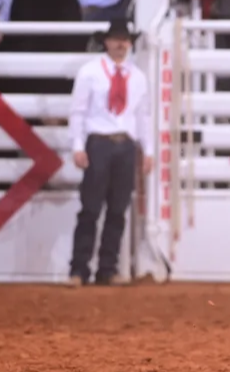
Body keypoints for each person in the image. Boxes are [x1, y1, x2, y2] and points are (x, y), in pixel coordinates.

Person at [67, 19, 153, 287]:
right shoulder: (90, 72)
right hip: (99, 142)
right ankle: (79, 269)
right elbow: (78, 111)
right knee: (91, 208)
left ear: (129, 43)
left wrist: (147, 150)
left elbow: (143, 116)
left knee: (117, 209)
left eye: (124, 39)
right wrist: (78, 146)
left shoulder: (137, 77)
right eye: (116, 39)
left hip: (125, 144)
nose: (120, 44)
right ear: (106, 42)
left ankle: (107, 268)